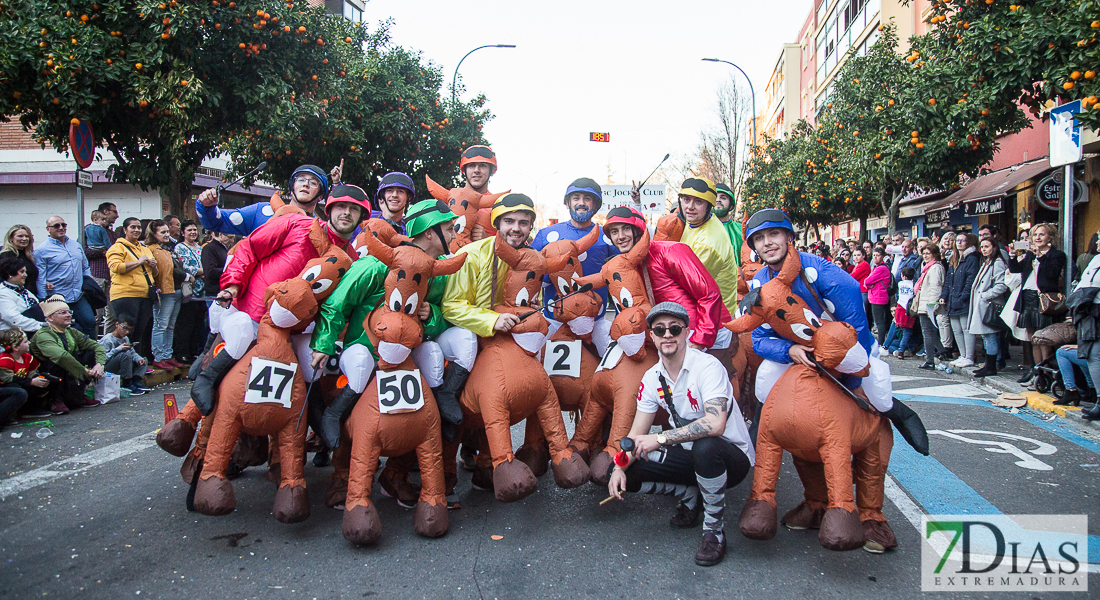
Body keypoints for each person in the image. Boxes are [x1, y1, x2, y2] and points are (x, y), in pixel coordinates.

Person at [743, 208, 926, 453]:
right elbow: (760, 338)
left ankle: (899, 413)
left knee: (876, 393)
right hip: (801, 351)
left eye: (773, 234)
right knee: (765, 378)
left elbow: (856, 325)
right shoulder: (759, 282)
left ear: (789, 237)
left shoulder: (822, 271)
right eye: (759, 238)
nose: (767, 243)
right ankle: (760, 433)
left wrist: (850, 381)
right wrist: (790, 350)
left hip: (846, 347)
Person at [192, 183, 369, 413]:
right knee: (230, 355)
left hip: (295, 329)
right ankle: (201, 391)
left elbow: (336, 306)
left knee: (310, 367)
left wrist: (324, 342)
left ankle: (318, 419)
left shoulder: (352, 260)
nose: (346, 213)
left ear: (361, 217)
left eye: (353, 209)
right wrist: (233, 285)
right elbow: (249, 249)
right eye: (341, 206)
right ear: (330, 209)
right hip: (252, 312)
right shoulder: (296, 224)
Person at [606, 302, 754, 567]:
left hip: (730, 458)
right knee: (625, 467)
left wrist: (660, 438)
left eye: (675, 328)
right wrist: (619, 466)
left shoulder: (707, 367)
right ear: (651, 335)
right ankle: (690, 496)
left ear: (686, 332)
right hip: (690, 456)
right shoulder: (652, 377)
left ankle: (714, 531)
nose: (667, 335)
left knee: (705, 446)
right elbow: (637, 432)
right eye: (659, 329)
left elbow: (715, 424)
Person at [310, 198, 462, 449]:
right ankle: (335, 416)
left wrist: (431, 314)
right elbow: (337, 303)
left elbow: (439, 320)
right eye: (448, 229)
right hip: (365, 350)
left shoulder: (438, 276)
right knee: (359, 371)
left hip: (406, 354)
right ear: (429, 232)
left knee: (434, 356)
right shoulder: (375, 263)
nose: (454, 235)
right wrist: (323, 344)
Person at [602, 207, 733, 365]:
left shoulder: (670, 251)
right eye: (614, 232)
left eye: (626, 229)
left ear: (638, 229)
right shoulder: (627, 265)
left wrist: (699, 342)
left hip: (706, 333)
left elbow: (709, 294)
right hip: (670, 336)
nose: (620, 236)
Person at [530, 178, 618, 353]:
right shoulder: (544, 235)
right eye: (576, 198)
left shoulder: (607, 236)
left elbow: (624, 269)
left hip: (597, 321)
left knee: (612, 365)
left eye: (587, 198)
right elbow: (529, 272)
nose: (581, 203)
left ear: (595, 204)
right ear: (568, 203)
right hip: (553, 321)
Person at [194, 163, 338, 236]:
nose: (306, 184)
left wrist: (338, 186)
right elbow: (217, 223)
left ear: (320, 195)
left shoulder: (320, 229)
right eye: (300, 179)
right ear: (291, 187)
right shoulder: (260, 211)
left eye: (313, 182)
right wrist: (206, 206)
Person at [1009, 223, 1067, 386]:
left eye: (1042, 235)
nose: (1037, 238)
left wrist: (1040, 256)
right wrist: (1013, 256)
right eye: (1035, 235)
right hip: (1027, 297)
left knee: (1044, 338)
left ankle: (1046, 372)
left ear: (1050, 237)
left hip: (1044, 298)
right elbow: (1016, 270)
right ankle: (1037, 372)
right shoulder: (1030, 255)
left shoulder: (1057, 255)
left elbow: (1051, 274)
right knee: (1033, 338)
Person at [673, 178, 739, 315]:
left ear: (709, 205)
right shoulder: (695, 221)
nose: (690, 206)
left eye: (698, 201)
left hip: (715, 317)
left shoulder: (708, 243)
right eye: (686, 200)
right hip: (702, 307)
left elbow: (688, 286)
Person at [29, 295, 106, 411]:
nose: (69, 315)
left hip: (69, 369)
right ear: (50, 318)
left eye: (69, 311)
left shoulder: (71, 332)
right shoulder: (43, 335)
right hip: (48, 373)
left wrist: (100, 364)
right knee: (58, 362)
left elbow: (97, 346)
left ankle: (79, 395)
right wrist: (83, 371)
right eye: (63, 313)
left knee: (90, 353)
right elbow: (61, 356)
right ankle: (54, 400)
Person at [105, 217, 157, 359]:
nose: (136, 230)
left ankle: (137, 364)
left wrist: (154, 266)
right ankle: (123, 364)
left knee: (140, 333)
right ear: (125, 230)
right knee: (127, 332)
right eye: (132, 227)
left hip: (145, 296)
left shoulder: (144, 249)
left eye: (139, 227)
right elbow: (116, 267)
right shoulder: (117, 248)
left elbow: (154, 274)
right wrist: (138, 262)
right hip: (125, 295)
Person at [34, 216, 95, 336]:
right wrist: (43, 299)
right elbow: (40, 277)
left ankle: (91, 353)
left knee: (90, 322)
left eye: (64, 225)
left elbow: (85, 267)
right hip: (57, 298)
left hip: (77, 295)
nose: (61, 228)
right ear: (48, 229)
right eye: (56, 226)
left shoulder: (75, 245)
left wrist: (87, 284)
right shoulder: (42, 250)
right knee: (63, 329)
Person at [968, 238, 1009, 377]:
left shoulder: (997, 263)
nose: (984, 249)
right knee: (986, 336)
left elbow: (1002, 285)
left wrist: (985, 295)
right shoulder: (986, 262)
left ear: (994, 247)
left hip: (989, 304)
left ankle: (992, 366)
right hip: (982, 304)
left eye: (987, 246)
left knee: (990, 335)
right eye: (982, 246)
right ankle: (988, 365)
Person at [146, 220, 183, 370]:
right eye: (163, 232)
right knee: (161, 324)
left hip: (175, 289)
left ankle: (168, 355)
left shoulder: (170, 248)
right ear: (154, 234)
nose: (167, 234)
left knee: (170, 325)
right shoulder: (151, 249)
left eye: (167, 231)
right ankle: (159, 356)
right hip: (163, 291)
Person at [0, 328, 55, 422]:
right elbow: (8, 379)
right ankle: (6, 415)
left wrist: (40, 377)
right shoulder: (5, 360)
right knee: (15, 387)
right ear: (15, 347)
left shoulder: (27, 357)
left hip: (23, 383)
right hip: (7, 387)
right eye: (25, 341)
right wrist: (31, 381)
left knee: (43, 381)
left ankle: (29, 410)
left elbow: (32, 372)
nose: (29, 343)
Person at [944, 233, 980, 368]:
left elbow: (970, 279)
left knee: (966, 329)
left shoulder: (971, 259)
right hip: (953, 298)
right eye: (957, 240)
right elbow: (948, 279)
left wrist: (963, 296)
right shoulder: (954, 258)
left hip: (963, 299)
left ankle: (969, 356)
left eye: (962, 240)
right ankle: (963, 355)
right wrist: (945, 296)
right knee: (957, 330)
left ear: (968, 242)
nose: (959, 243)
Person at [173, 220, 206, 362]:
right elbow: (183, 266)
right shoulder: (179, 248)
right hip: (189, 290)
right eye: (189, 230)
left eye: (194, 229)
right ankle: (182, 352)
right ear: (182, 233)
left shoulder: (200, 248)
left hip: (203, 290)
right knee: (186, 323)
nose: (193, 232)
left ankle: (194, 352)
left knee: (198, 323)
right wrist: (201, 271)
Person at [99, 315, 151, 396]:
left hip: (123, 365)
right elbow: (102, 359)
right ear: (117, 324)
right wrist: (118, 349)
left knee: (143, 358)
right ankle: (127, 383)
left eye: (129, 330)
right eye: (125, 328)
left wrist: (139, 359)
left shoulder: (125, 338)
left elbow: (132, 353)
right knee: (125, 355)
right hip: (108, 368)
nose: (126, 332)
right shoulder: (107, 339)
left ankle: (136, 381)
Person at [914, 244, 946, 370]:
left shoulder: (935, 268)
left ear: (935, 254)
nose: (925, 256)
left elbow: (935, 288)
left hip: (928, 304)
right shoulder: (928, 268)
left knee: (927, 332)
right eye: (924, 253)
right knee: (930, 332)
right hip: (925, 303)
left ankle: (930, 360)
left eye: (928, 253)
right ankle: (942, 351)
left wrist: (932, 306)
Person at [0, 256, 45, 334]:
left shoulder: (25, 291)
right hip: (12, 337)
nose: (25, 275)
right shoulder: (3, 294)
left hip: (32, 332)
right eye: (22, 272)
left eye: (25, 272)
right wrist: (42, 325)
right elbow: (14, 319)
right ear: (10, 274)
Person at [885, 266, 918, 358]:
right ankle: (901, 350)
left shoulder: (900, 284)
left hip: (900, 307)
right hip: (909, 309)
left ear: (903, 276)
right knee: (907, 331)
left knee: (896, 325)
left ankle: (886, 345)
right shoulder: (914, 285)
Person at [1, 225, 41, 298]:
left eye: (27, 236)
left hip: (29, 297)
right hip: (14, 298)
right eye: (20, 236)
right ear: (11, 238)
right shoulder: (6, 256)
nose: (24, 239)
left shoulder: (28, 256)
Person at [863, 247, 891, 346]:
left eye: (878, 255)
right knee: (875, 319)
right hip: (874, 296)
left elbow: (867, 281)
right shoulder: (875, 267)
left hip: (878, 297)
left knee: (879, 321)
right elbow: (867, 282)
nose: (875, 257)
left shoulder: (882, 268)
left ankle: (881, 342)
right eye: (874, 255)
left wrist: (869, 284)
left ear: (882, 257)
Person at [713, 182, 743, 264]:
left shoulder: (742, 230)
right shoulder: (698, 229)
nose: (718, 200)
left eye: (723, 198)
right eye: (714, 197)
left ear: (731, 205)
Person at [201, 231, 234, 295]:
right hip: (214, 292)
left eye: (233, 238)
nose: (232, 241)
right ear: (220, 234)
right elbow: (210, 271)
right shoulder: (209, 248)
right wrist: (229, 270)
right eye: (230, 238)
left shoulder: (224, 248)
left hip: (223, 290)